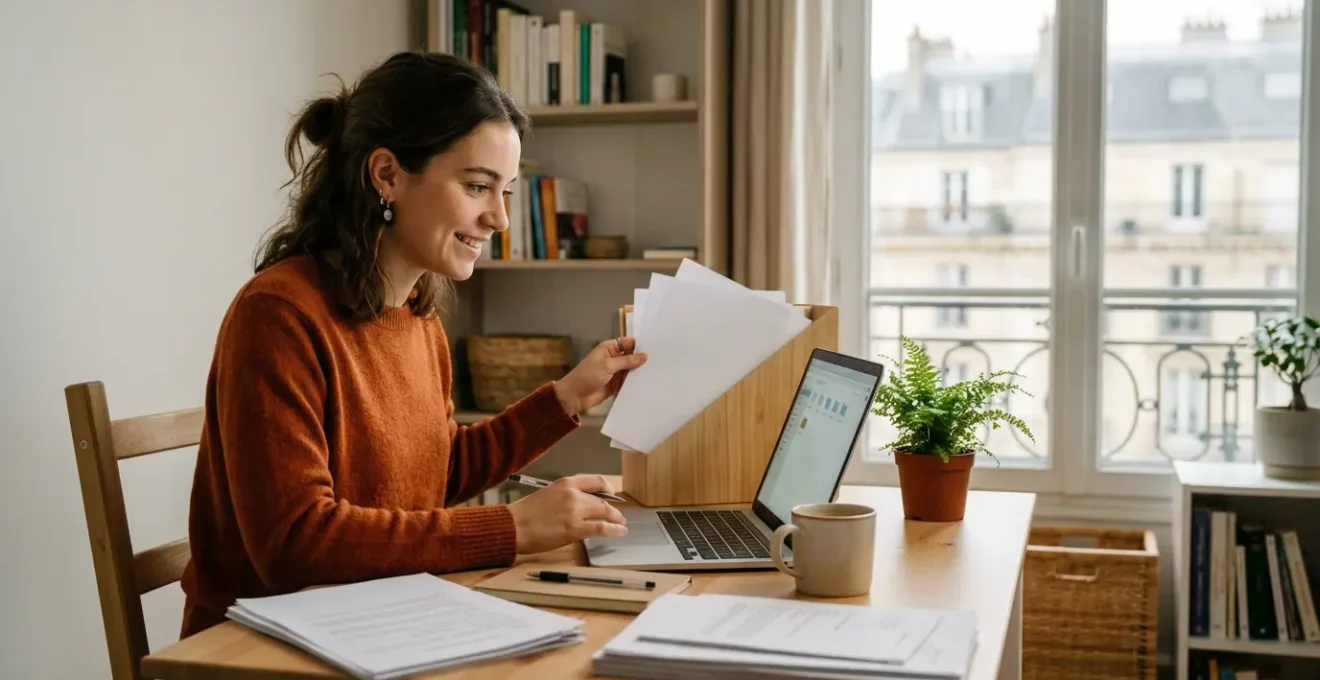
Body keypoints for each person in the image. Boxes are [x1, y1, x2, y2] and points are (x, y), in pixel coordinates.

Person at [179, 51, 646, 637]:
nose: (499, 219)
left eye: (505, 191)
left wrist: (569, 397)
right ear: (388, 175)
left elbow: (435, 475)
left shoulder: (417, 317)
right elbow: (295, 542)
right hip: (264, 649)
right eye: (478, 186)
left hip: (377, 619)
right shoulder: (277, 316)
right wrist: (511, 529)